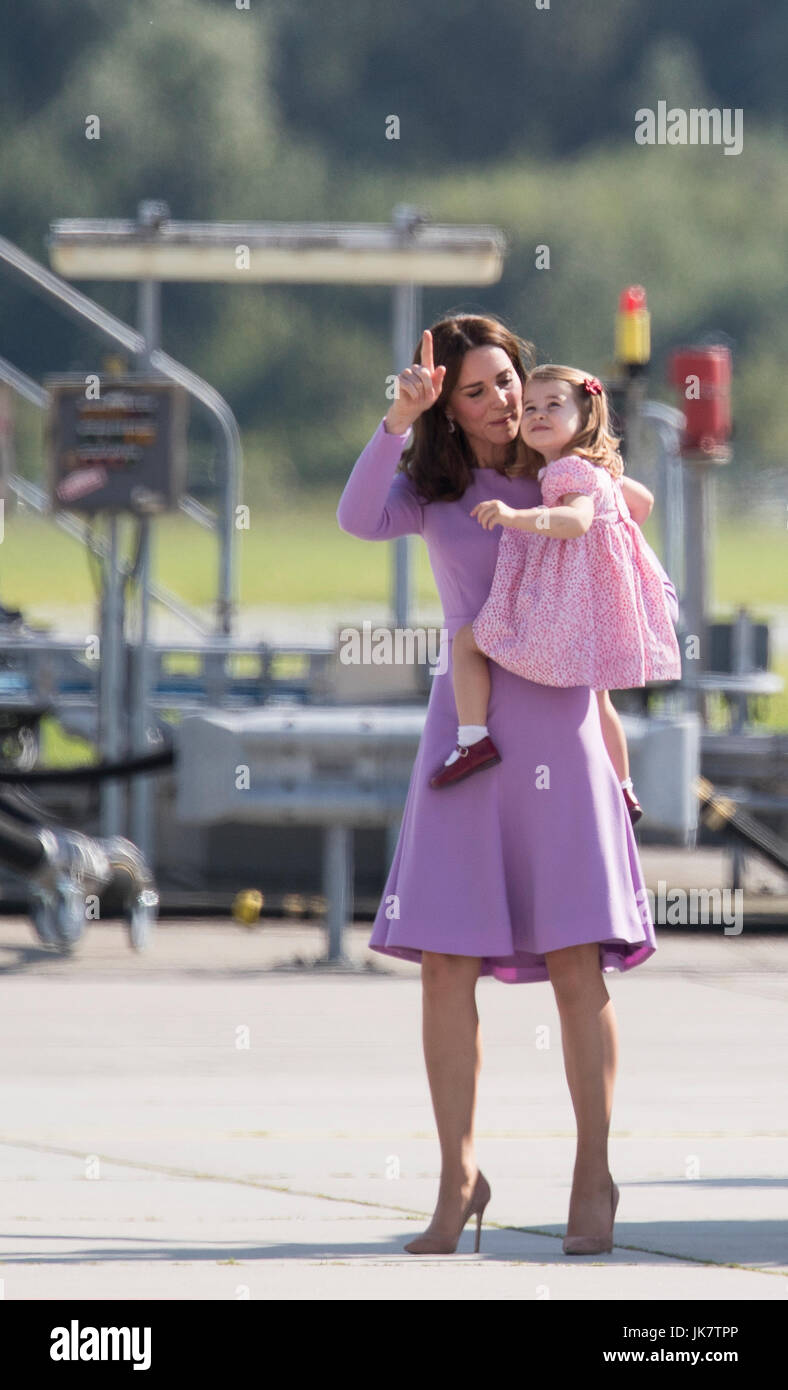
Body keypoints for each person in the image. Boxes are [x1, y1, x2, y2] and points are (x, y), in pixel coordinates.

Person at [336, 315, 678, 1258]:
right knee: (446, 964)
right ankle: (457, 1177)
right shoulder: (433, 488)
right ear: (448, 401)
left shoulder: (568, 472)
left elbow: (634, 511)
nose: (501, 403)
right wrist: (394, 421)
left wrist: (602, 475)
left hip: (562, 728)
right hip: (468, 737)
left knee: (577, 961)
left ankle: (593, 1173)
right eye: (476, 390)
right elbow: (357, 519)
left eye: (510, 382)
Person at [430, 364, 682, 825]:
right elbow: (641, 504)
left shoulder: (566, 472)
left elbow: (577, 522)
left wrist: (515, 516)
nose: (537, 415)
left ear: (584, 417)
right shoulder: (595, 468)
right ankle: (623, 788)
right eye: (529, 407)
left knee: (467, 642)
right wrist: (611, 546)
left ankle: (472, 739)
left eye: (552, 406)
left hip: (574, 605)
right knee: (600, 700)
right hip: (606, 602)